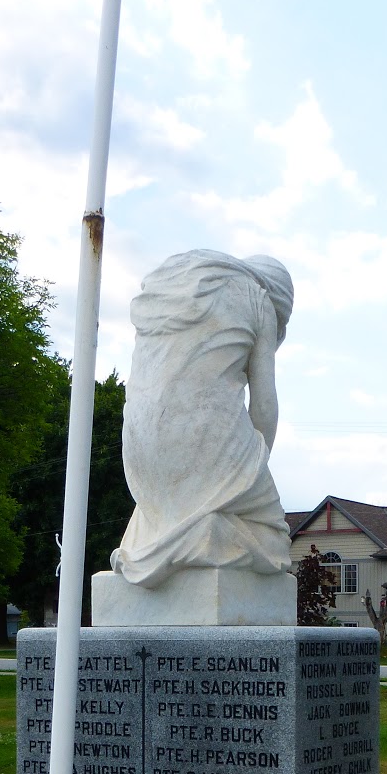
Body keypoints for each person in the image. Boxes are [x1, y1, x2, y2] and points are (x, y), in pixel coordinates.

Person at [110, 249, 294, 588]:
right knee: (273, 542)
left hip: (138, 448)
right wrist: (253, 469)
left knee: (167, 509)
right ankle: (203, 533)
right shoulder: (259, 299)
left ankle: (154, 541)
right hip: (207, 441)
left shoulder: (181, 282)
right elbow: (265, 405)